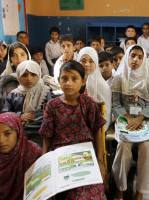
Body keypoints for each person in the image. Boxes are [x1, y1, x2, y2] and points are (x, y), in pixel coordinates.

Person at [39, 61, 107, 200]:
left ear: (83, 81)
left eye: (74, 78)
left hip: (85, 154)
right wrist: (44, 163)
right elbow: (47, 136)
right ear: (58, 80)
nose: (68, 83)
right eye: (64, 78)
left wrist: (100, 161)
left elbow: (97, 132)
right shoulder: (53, 106)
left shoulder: (88, 103)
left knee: (86, 192)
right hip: (60, 155)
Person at [111, 45, 149, 200]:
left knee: (146, 147)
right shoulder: (119, 77)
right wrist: (128, 118)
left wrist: (140, 118)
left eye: (140, 57)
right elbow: (115, 103)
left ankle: (140, 191)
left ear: (144, 59)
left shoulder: (148, 76)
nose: (135, 60)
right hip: (125, 119)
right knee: (123, 145)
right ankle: (120, 188)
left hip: (144, 119)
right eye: (132, 55)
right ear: (127, 56)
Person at [0, 112, 42, 200]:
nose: (1, 141)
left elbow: (41, 188)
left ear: (18, 132)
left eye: (7, 134)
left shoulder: (34, 153)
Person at [78, 47, 112, 131]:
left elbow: (105, 112)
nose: (86, 64)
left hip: (98, 124)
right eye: (83, 61)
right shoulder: (76, 81)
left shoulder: (102, 85)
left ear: (96, 63)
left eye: (91, 61)